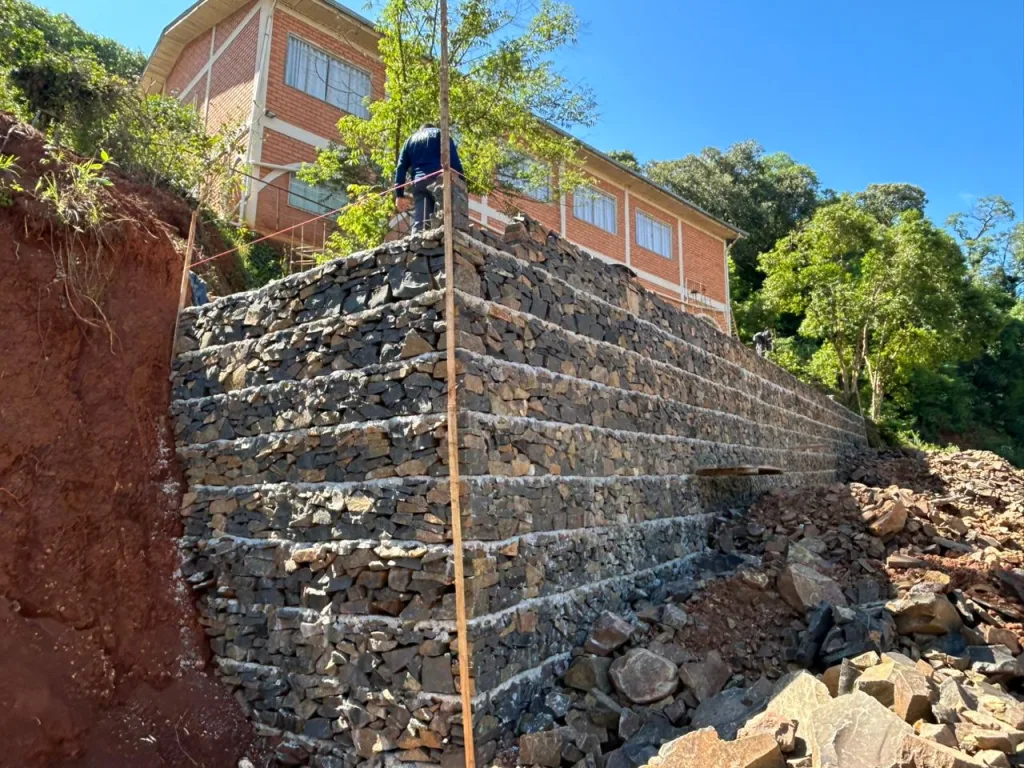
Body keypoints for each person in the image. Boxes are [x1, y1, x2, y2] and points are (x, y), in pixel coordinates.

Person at [394, 123, 464, 232]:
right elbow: (454, 161)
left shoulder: (409, 140)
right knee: (444, 220)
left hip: (419, 183)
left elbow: (401, 167)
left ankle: (416, 244)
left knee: (421, 223)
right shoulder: (441, 133)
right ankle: (441, 242)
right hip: (439, 181)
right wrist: (462, 182)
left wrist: (399, 194)